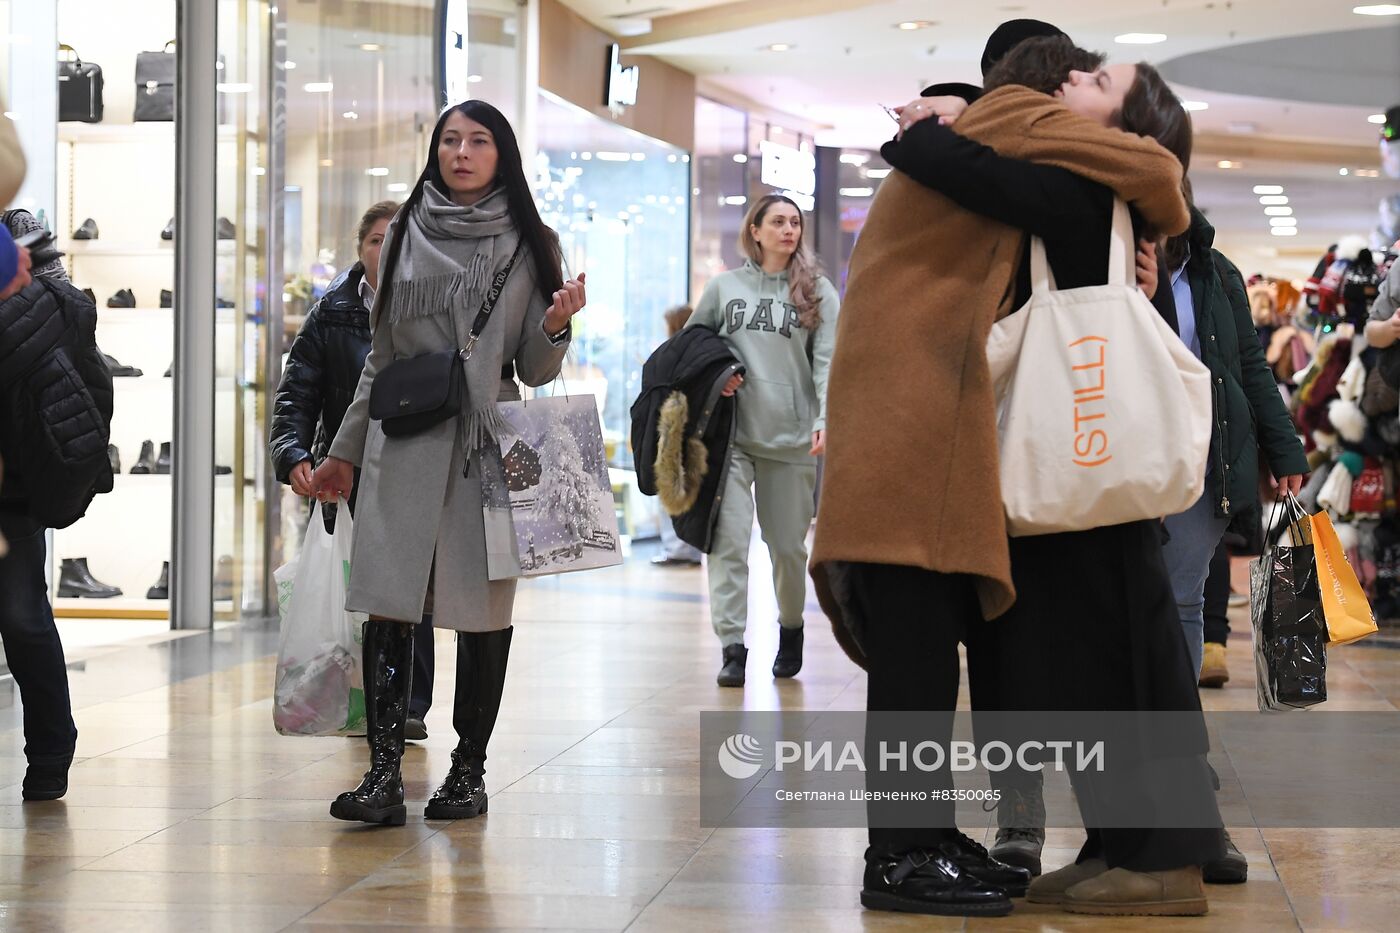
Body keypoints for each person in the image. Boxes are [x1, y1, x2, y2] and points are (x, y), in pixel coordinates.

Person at [814, 37, 1220, 918]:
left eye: (1098, 81)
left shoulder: (1077, 182)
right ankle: (1125, 847)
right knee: (1100, 663)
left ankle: (1160, 855)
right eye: (1073, 72)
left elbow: (952, 156)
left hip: (1084, 466)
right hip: (1081, 466)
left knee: (1122, 662)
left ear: (1113, 123)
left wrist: (945, 123)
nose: (1077, 80)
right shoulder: (1087, 186)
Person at [309, 99, 586, 826]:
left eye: (479, 140)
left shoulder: (531, 240)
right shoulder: (403, 232)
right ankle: (382, 775)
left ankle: (468, 770)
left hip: (485, 444)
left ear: (503, 154)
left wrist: (555, 323)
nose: (461, 151)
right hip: (403, 441)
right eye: (450, 139)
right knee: (390, 606)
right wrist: (342, 451)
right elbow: (384, 357)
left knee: (482, 613)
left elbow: (533, 364)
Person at [270, 200, 440, 742]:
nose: (385, 249)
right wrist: (294, 453)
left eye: (396, 239)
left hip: (411, 469)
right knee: (351, 589)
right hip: (344, 475)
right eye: (375, 240)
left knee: (411, 592)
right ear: (359, 247)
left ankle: (408, 703)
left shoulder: (428, 309)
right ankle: (357, 694)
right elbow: (297, 392)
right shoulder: (332, 312)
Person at [686, 195, 838, 686]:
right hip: (730, 439)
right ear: (755, 230)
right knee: (728, 543)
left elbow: (828, 361)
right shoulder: (724, 287)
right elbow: (690, 348)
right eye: (778, 221)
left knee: (788, 549)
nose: (789, 230)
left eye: (795, 222)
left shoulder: (816, 292)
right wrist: (718, 375)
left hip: (792, 440)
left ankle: (790, 629)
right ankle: (733, 647)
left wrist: (824, 418)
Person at [0, 209, 103, 803]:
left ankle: (51, 745)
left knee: (21, 616)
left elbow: (71, 317)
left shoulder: (20, 230)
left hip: (14, 478)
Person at [650, 304, 705, 567]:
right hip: (695, 434)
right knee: (691, 488)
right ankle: (688, 549)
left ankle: (677, 550)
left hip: (675, 431)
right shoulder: (701, 354)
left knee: (670, 486)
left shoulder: (672, 356)